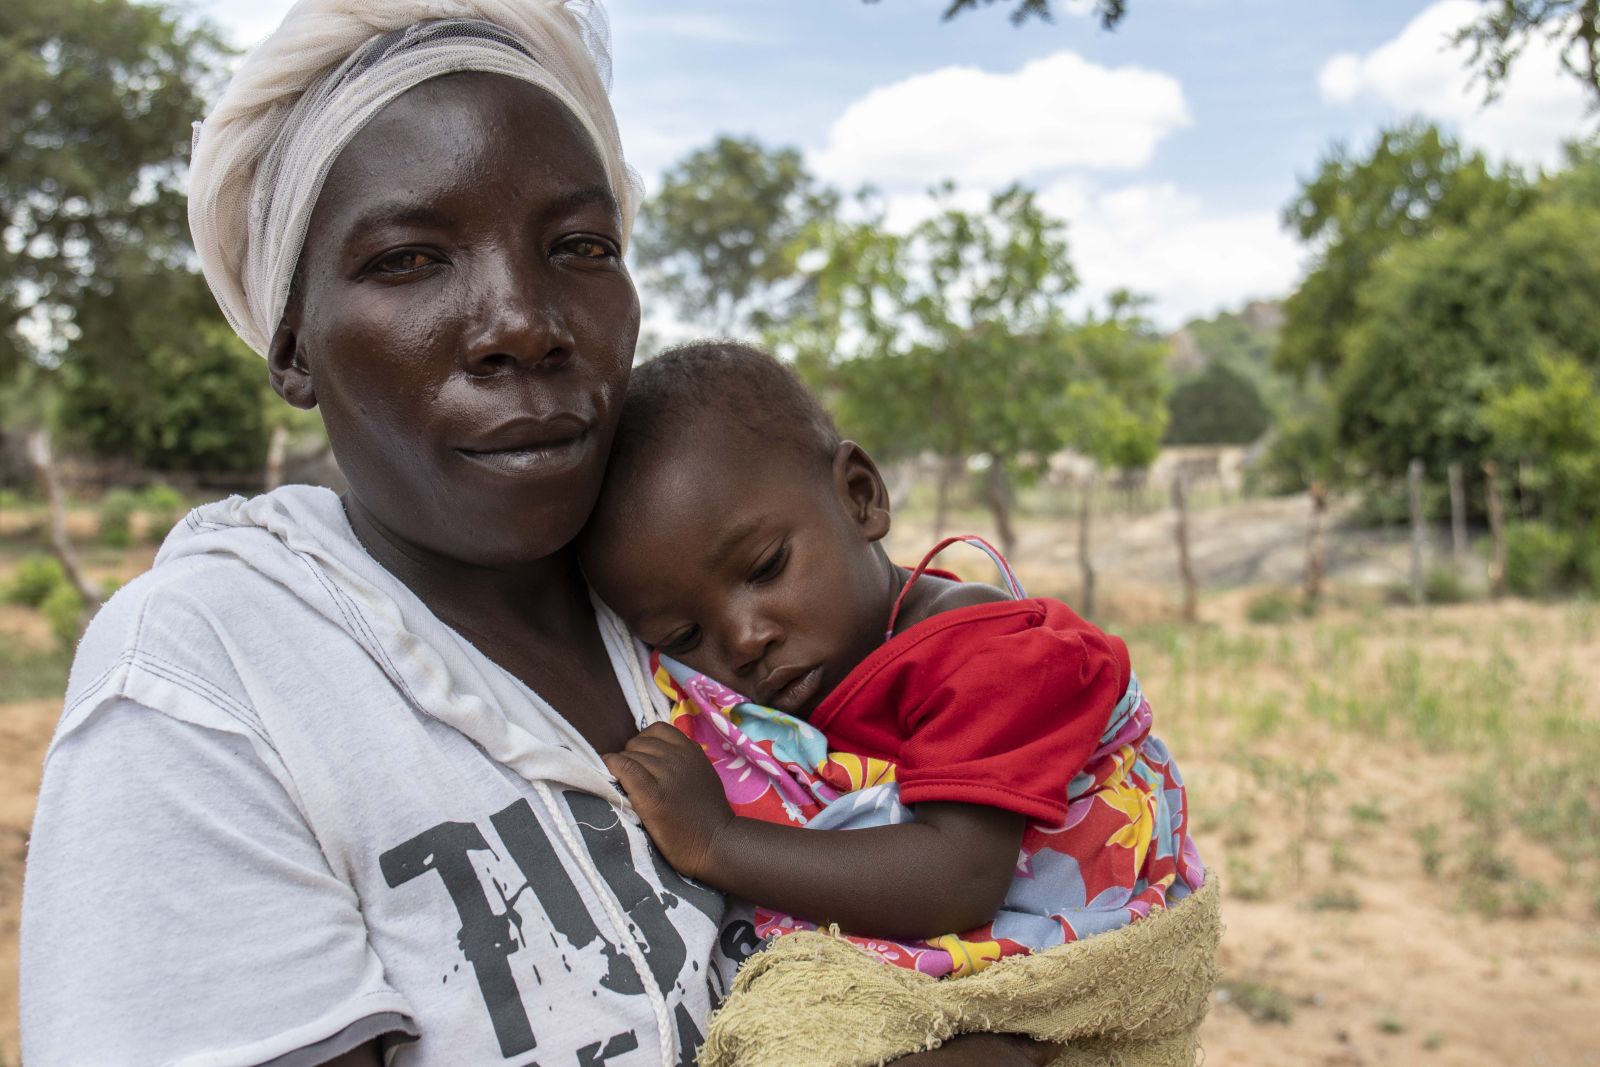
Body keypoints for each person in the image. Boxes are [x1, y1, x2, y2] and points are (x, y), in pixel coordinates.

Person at [19, 2, 1062, 1064]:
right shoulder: (215, 678)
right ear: (293, 347)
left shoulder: (697, 598)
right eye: (409, 260)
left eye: (579, 245)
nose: (522, 320)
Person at [579, 341, 1204, 977]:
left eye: (765, 568)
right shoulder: (830, 659)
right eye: (683, 636)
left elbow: (956, 879)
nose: (743, 640)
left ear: (859, 496)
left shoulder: (979, 654)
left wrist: (717, 842)